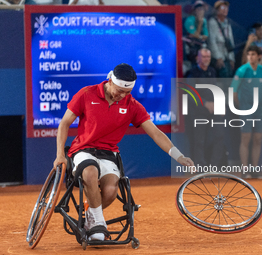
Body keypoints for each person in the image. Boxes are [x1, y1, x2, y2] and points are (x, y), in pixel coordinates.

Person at [53, 63, 194, 241]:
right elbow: (64, 123)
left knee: (111, 190)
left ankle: (91, 217)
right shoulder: (87, 94)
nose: (122, 95)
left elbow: (156, 133)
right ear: (110, 80)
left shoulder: (132, 106)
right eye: (119, 90)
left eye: (127, 92)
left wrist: (178, 156)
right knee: (90, 171)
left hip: (108, 154)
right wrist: (60, 155)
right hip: (83, 150)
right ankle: (98, 225)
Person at [231, 45, 262, 177]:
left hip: (260, 109)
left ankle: (255, 170)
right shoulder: (242, 70)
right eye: (249, 54)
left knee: (258, 138)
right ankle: (245, 171)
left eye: (253, 54)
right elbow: (233, 91)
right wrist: (240, 107)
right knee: (245, 138)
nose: (250, 57)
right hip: (246, 108)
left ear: (259, 56)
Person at [185, 48, 226, 168]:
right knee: (199, 141)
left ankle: (215, 166)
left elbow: (216, 89)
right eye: (203, 57)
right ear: (198, 58)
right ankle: (200, 168)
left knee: (220, 136)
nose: (206, 59)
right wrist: (205, 103)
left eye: (208, 57)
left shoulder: (212, 71)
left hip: (214, 110)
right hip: (198, 112)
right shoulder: (192, 73)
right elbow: (190, 94)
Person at [208, 0, 235, 78]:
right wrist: (218, 58)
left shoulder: (227, 23)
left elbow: (231, 42)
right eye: (222, 7)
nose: (225, 9)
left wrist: (231, 58)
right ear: (216, 10)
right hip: (219, 57)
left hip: (227, 56)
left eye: (226, 7)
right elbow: (211, 41)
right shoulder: (213, 22)